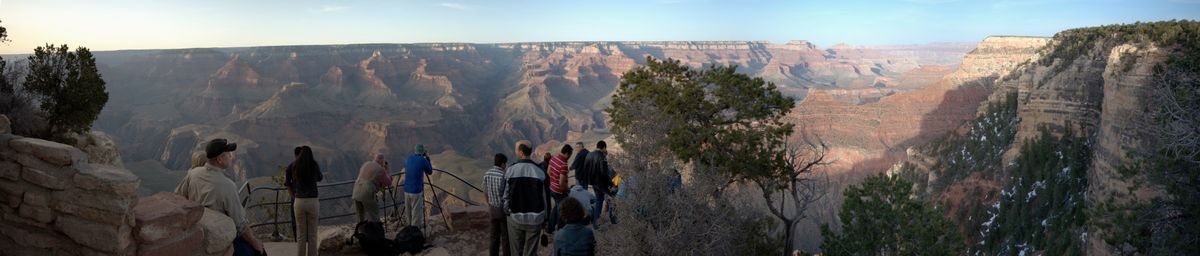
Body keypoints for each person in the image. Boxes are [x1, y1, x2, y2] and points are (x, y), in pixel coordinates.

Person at [175, 138, 264, 256]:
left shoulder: (193, 174)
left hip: (196, 229)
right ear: (220, 159)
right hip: (218, 238)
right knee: (258, 252)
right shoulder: (228, 186)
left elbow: (177, 196)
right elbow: (240, 224)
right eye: (228, 154)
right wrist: (255, 242)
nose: (231, 157)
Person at [503, 141, 549, 256]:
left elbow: (506, 196)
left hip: (516, 217)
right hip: (535, 219)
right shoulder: (540, 172)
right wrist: (545, 219)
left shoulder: (510, 170)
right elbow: (545, 198)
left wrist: (507, 211)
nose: (515, 152)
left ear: (521, 152)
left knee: (516, 251)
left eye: (516, 149)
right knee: (531, 252)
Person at [285, 146, 322, 256]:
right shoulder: (314, 165)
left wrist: (293, 195)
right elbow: (320, 178)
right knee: (312, 234)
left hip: (299, 201)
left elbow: (288, 182)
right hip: (312, 201)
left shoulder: (294, 165)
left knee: (301, 234)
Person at [580, 140, 615, 229]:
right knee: (613, 198)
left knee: (599, 201)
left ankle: (596, 224)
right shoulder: (602, 156)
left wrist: (589, 181)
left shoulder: (589, 155)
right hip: (602, 183)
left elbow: (585, 169)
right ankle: (613, 219)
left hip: (593, 183)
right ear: (603, 147)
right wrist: (611, 184)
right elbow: (604, 173)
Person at [483, 153, 510, 256]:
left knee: (494, 237)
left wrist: (489, 204)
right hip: (502, 210)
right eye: (505, 164)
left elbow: (485, 192)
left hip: (492, 209)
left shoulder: (487, 173)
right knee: (505, 238)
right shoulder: (504, 175)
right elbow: (507, 194)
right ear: (502, 164)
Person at [352, 153, 393, 223]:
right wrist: (387, 171)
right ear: (382, 161)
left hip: (356, 192)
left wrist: (381, 190)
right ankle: (376, 232)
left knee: (360, 216)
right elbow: (388, 183)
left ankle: (362, 232)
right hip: (367, 194)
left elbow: (376, 182)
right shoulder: (380, 170)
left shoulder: (366, 164)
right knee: (374, 215)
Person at [403, 144, 434, 228]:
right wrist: (427, 158)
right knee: (416, 214)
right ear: (423, 152)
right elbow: (430, 171)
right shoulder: (422, 160)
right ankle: (415, 233)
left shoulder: (409, 158)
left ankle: (409, 230)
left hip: (406, 190)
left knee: (408, 213)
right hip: (416, 191)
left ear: (415, 151)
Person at [547, 144, 573, 231]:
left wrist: (554, 180)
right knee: (563, 210)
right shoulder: (564, 164)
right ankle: (561, 229)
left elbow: (548, 172)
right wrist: (567, 190)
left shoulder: (553, 158)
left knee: (556, 207)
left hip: (552, 188)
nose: (569, 157)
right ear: (566, 153)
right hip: (559, 191)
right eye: (569, 155)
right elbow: (561, 182)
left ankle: (550, 228)